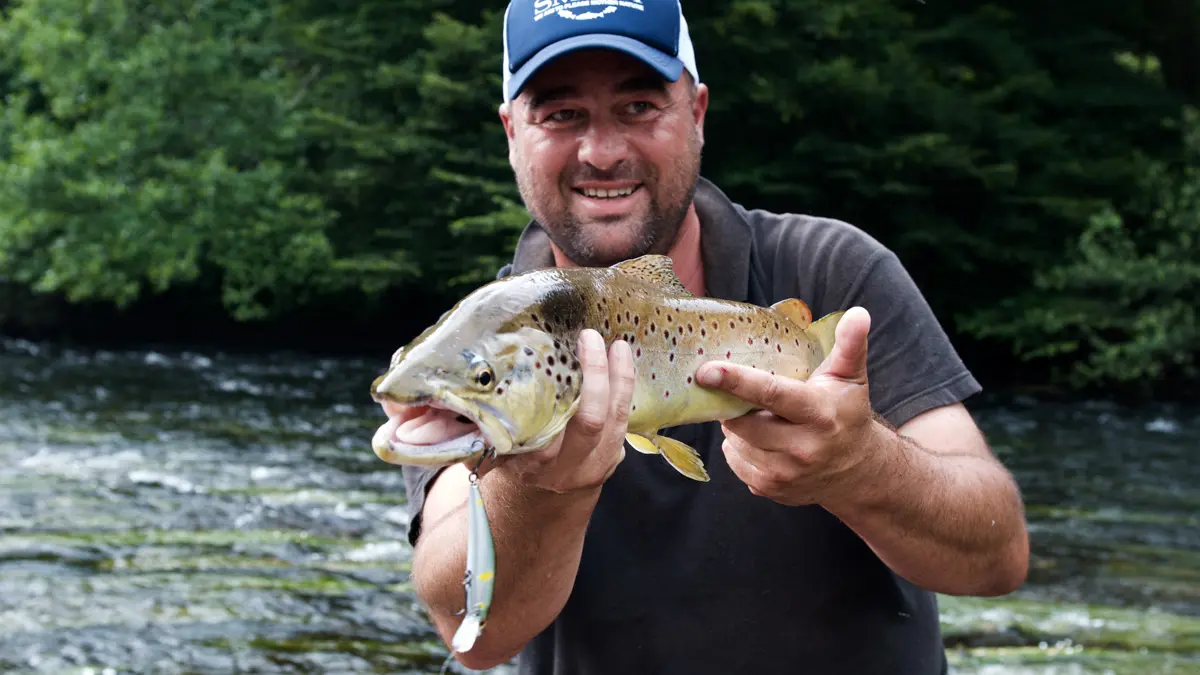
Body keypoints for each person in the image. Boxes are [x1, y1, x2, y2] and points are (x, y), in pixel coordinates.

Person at [383, 0, 1030, 672]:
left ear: (696, 112)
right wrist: (540, 491)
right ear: (511, 132)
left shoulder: (835, 272)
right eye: (560, 113)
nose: (602, 152)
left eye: (638, 107)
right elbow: (471, 631)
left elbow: (998, 553)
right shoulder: (479, 350)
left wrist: (861, 467)